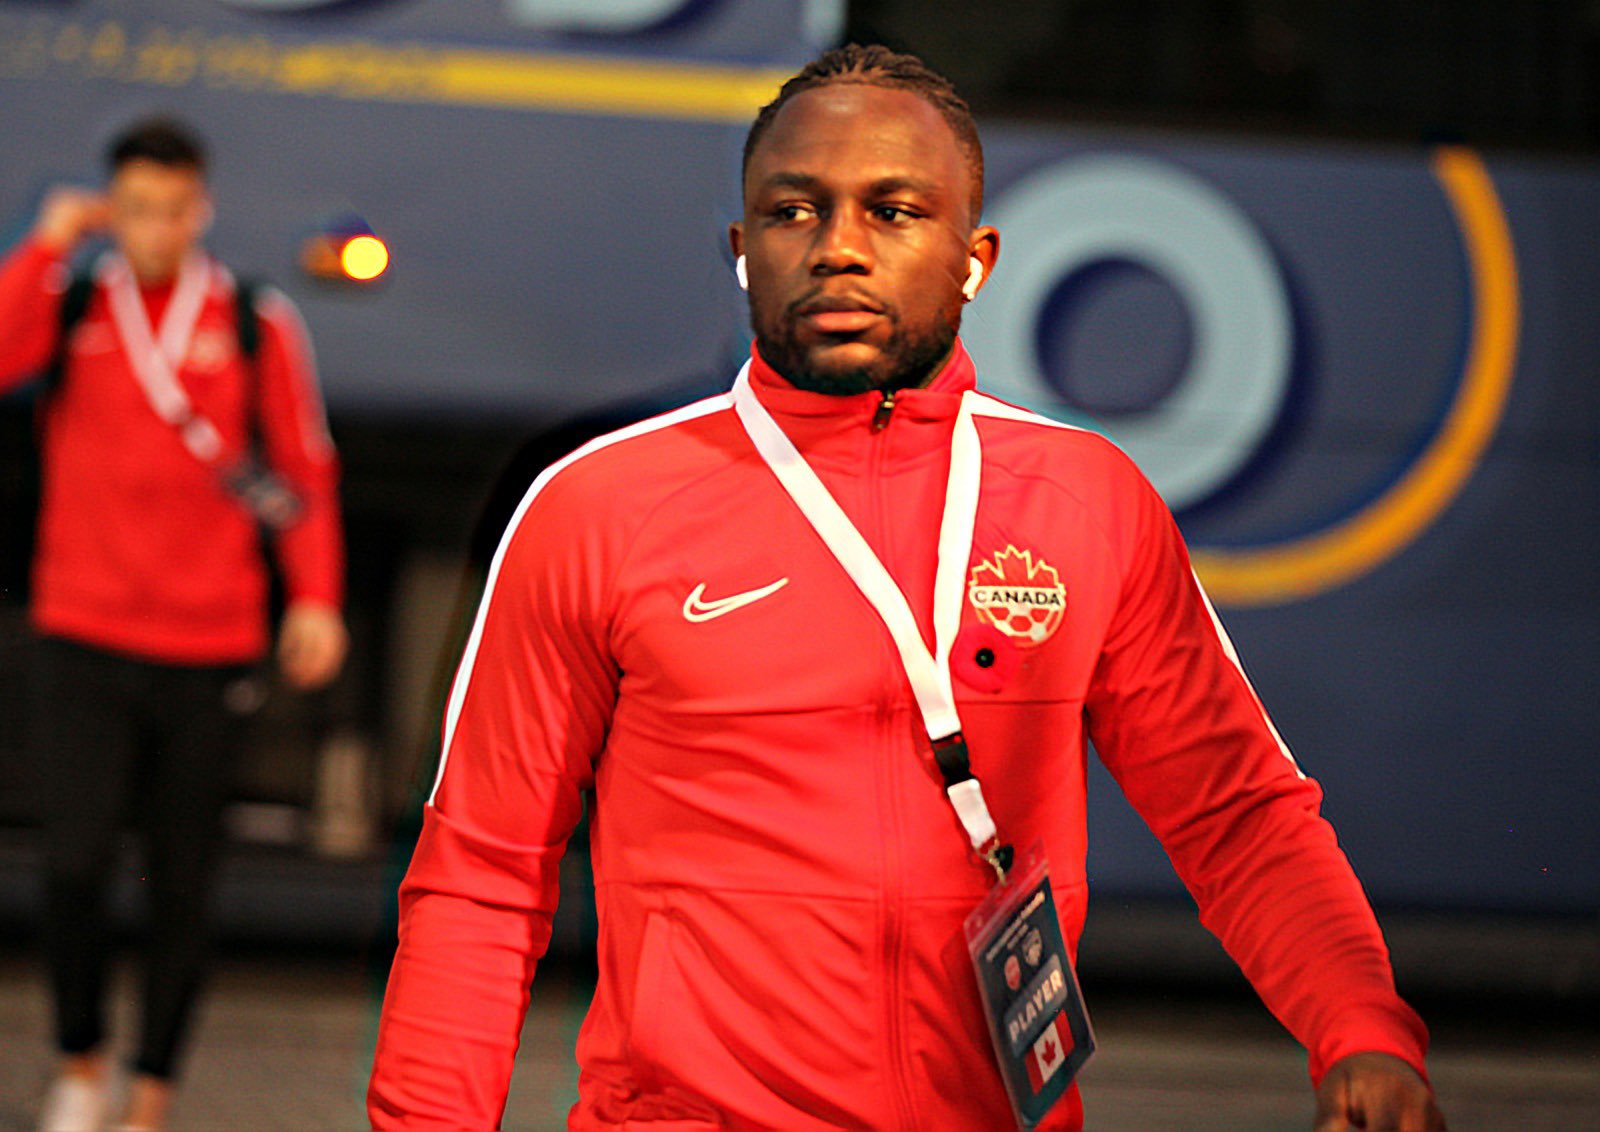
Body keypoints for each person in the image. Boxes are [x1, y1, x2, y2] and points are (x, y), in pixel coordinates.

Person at [367, 45, 1445, 1131]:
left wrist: (1359, 1028)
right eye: (794, 212)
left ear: (973, 257)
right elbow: (482, 874)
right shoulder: (599, 506)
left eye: (892, 212)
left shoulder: (1085, 503)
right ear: (743, 251)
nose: (838, 249)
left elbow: (1237, 815)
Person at [0, 117, 347, 1131]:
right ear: (117, 208)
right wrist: (47, 243)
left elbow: (301, 470)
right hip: (83, 632)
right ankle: (80, 1063)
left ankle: (150, 1095)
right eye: (136, 209)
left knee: (183, 887)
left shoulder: (253, 320)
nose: (155, 229)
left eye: (173, 209)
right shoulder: (70, 306)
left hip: (209, 647)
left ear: (200, 209)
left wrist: (315, 596)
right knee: (69, 868)